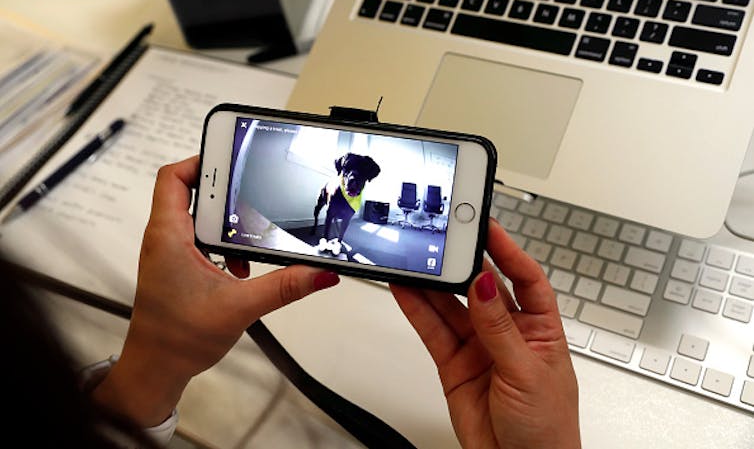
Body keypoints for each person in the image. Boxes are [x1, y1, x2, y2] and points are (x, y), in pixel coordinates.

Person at [2, 155, 580, 448]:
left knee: (340, 231)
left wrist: (152, 365)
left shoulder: (359, 180)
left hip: (346, 210)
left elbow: (354, 189)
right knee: (333, 232)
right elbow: (338, 192)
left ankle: (334, 238)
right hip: (338, 209)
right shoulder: (342, 180)